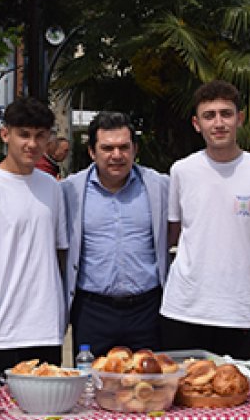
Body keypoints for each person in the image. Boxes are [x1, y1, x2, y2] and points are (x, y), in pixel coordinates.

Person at [160, 81, 250, 359]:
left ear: (239, 119)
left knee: (237, 398)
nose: (218, 123)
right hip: (184, 309)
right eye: (209, 115)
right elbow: (174, 232)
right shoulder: (181, 171)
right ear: (196, 123)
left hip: (240, 312)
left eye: (226, 114)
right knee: (182, 397)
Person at [0, 97, 67, 376]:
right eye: (24, 135)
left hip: (46, 330)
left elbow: (59, 253)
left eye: (40, 136)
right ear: (5, 135)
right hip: (1, 332)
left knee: (48, 416)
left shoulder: (53, 188)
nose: (32, 144)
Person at [61, 111, 169, 356]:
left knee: (148, 388)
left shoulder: (159, 186)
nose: (117, 155)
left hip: (147, 310)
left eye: (124, 147)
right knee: (93, 387)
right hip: (93, 311)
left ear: (135, 149)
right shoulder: (70, 192)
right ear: (92, 151)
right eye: (107, 148)